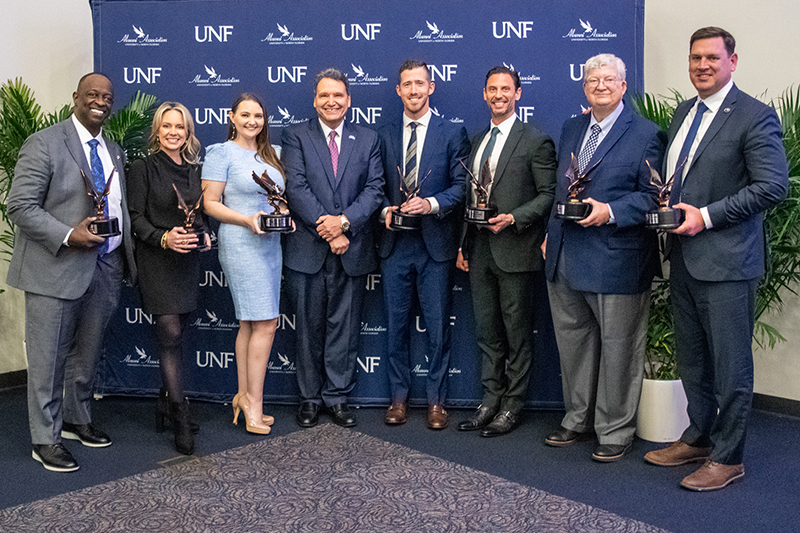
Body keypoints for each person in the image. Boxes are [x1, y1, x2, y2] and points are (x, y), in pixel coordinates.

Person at [643, 27, 788, 491]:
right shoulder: (685, 112)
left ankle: (729, 457)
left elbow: (772, 187)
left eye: (711, 58)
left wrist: (704, 217)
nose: (702, 66)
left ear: (733, 61)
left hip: (727, 263)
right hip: (683, 259)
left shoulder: (754, 116)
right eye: (694, 58)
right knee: (694, 361)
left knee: (730, 367)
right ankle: (700, 436)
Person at [6, 73, 136, 472]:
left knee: (87, 353)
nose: (100, 101)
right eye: (92, 94)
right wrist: (67, 234)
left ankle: (78, 420)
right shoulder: (45, 142)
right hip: (56, 267)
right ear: (76, 98)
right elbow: (20, 206)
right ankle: (45, 438)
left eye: (107, 97)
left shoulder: (113, 149)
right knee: (48, 360)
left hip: (105, 266)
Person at [541, 54, 665, 462]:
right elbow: (564, 188)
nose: (600, 85)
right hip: (565, 256)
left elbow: (653, 197)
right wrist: (549, 234)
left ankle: (614, 428)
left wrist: (608, 211)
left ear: (623, 86)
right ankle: (577, 418)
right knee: (573, 346)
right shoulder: (572, 127)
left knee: (619, 349)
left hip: (616, 258)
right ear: (584, 87)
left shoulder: (646, 134)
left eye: (608, 79)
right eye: (592, 79)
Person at [456, 66, 556, 437]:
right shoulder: (477, 139)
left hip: (516, 250)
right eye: (492, 89)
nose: (498, 95)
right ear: (484, 94)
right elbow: (471, 198)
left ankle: (512, 406)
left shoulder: (535, 140)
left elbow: (548, 195)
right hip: (480, 251)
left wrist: (515, 217)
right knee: (487, 332)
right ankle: (489, 400)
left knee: (517, 334)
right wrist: (464, 244)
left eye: (506, 89)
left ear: (518, 94)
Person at [281, 68, 384, 428]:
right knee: (307, 329)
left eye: (338, 95)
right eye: (324, 95)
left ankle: (337, 397)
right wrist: (328, 228)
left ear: (349, 99)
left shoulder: (368, 139)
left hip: (351, 249)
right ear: (315, 100)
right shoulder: (295, 136)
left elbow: (374, 189)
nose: (331, 101)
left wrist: (343, 224)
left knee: (345, 328)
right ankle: (309, 398)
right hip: (307, 249)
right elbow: (295, 188)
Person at [377, 60, 469, 429]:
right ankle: (398, 399)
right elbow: (373, 185)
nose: (413, 90)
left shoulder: (453, 132)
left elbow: (462, 187)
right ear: (398, 91)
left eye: (420, 84)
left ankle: (436, 402)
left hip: (436, 246)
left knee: (437, 328)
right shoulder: (382, 134)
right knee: (395, 328)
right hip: (394, 245)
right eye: (406, 85)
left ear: (431, 87)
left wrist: (430, 204)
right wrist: (384, 208)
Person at [127, 102, 210, 455]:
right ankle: (180, 413)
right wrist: (164, 237)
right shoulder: (142, 168)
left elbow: (198, 214)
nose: (174, 132)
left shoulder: (194, 170)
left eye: (180, 127)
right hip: (157, 261)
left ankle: (165, 401)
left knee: (178, 335)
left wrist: (204, 235)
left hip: (186, 263)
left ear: (187, 132)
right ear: (157, 131)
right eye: (167, 126)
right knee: (170, 335)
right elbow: (135, 218)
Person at [202, 93, 284, 435]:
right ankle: (254, 404)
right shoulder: (220, 153)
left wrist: (285, 218)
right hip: (240, 243)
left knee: (251, 325)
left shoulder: (273, 154)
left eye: (259, 116)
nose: (253, 121)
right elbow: (209, 203)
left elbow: (279, 200)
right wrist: (245, 219)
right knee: (265, 324)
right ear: (232, 117)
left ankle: (244, 397)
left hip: (271, 246)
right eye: (246, 115)